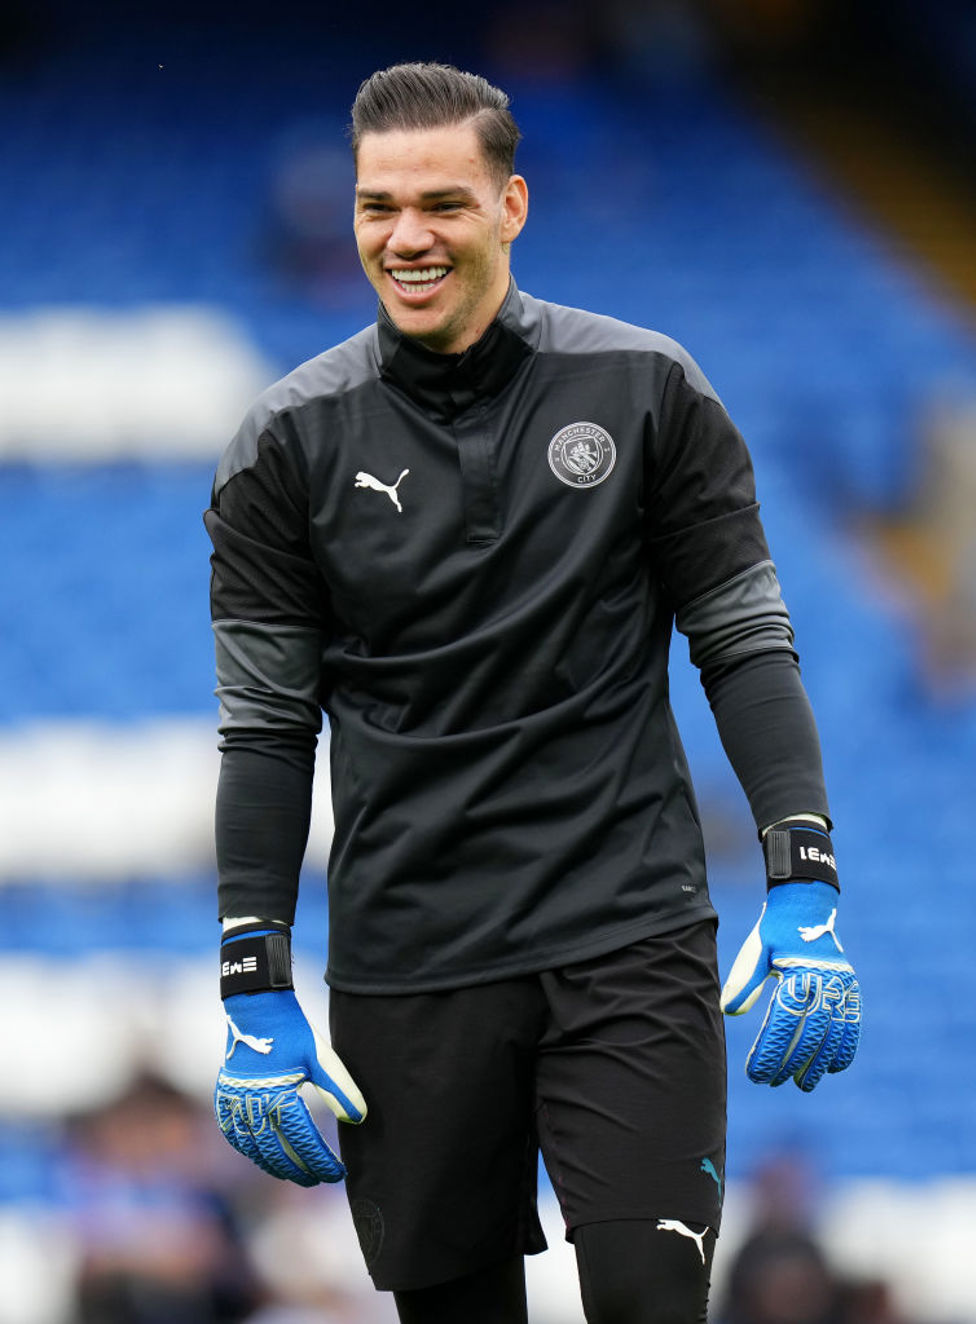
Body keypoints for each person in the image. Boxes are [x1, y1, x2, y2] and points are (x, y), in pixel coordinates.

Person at [206, 62, 861, 1324]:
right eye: (376, 206)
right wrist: (251, 981)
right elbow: (266, 729)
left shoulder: (647, 388)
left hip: (626, 930)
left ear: (512, 204)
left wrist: (805, 878)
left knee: (646, 1297)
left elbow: (743, 642)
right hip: (411, 963)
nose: (406, 238)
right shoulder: (283, 445)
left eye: (442, 204)